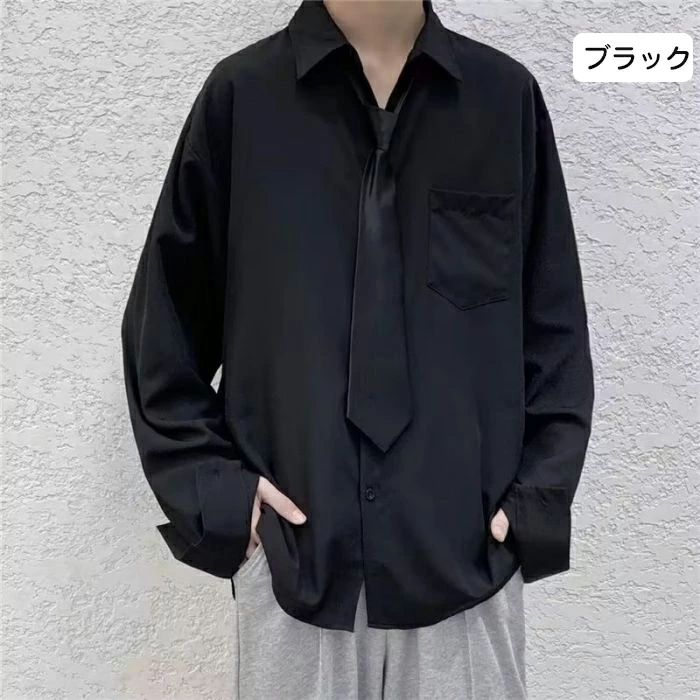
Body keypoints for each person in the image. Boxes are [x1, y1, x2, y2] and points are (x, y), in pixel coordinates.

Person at [121, 1, 595, 697]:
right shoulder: (242, 100)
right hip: (299, 567)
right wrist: (219, 496)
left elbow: (555, 332)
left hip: (468, 564)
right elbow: (161, 331)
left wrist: (533, 503)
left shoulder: (504, 100)